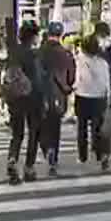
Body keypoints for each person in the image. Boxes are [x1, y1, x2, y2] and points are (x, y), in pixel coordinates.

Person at [4, 20, 44, 183]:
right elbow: (38, 80)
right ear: (33, 37)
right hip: (32, 99)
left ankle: (12, 159)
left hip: (15, 99)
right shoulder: (34, 55)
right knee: (33, 133)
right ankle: (29, 167)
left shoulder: (13, 54)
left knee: (17, 134)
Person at [34, 23, 73, 172]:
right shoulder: (65, 53)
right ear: (61, 35)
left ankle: (45, 148)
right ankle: (53, 154)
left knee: (41, 125)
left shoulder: (39, 52)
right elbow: (71, 75)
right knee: (55, 127)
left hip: (40, 94)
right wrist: (67, 87)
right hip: (58, 94)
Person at [74, 34, 111, 170]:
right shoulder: (103, 63)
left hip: (82, 96)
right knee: (99, 128)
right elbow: (107, 83)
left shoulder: (79, 61)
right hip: (99, 98)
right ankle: (101, 154)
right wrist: (108, 98)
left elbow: (76, 80)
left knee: (82, 128)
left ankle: (82, 155)